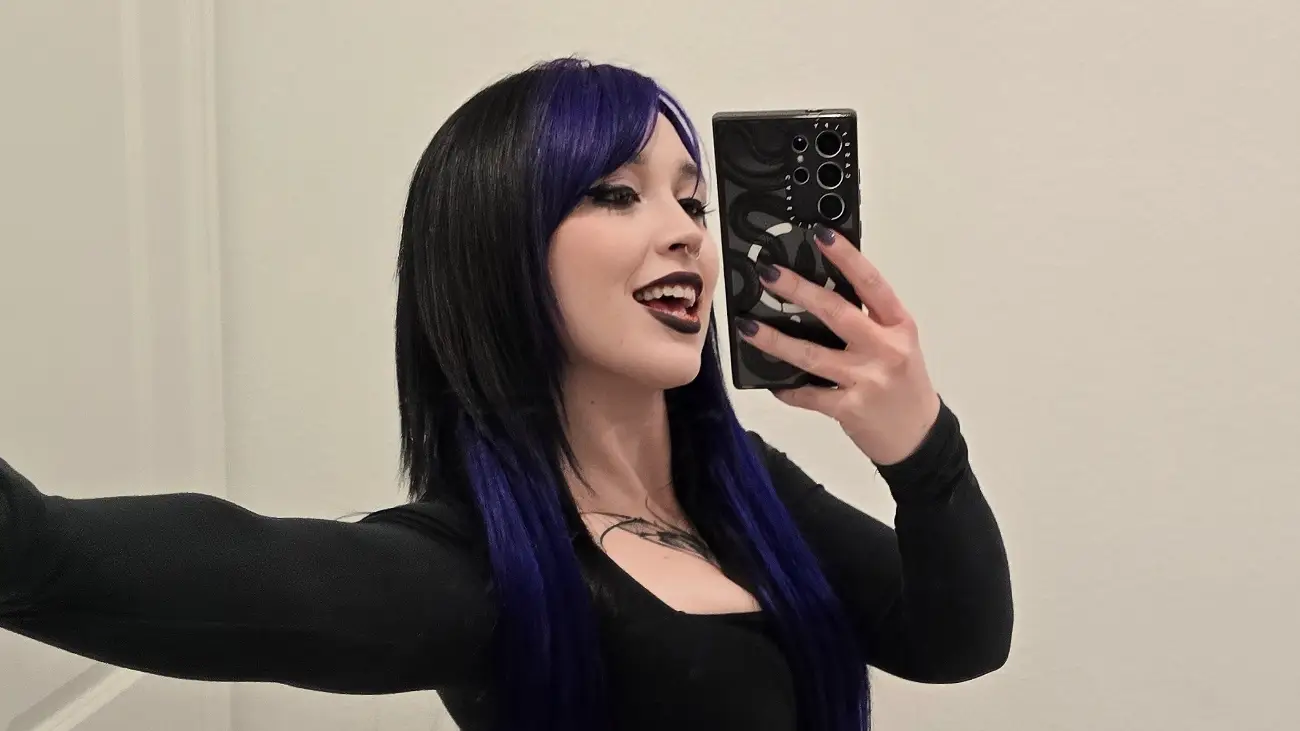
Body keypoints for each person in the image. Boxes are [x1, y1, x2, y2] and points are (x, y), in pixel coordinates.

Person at [0, 58, 1012, 731]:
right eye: (615, 193)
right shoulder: (480, 568)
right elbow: (70, 557)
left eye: (693, 200)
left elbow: (956, 638)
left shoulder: (743, 484)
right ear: (497, 251)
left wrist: (920, 447)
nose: (685, 232)